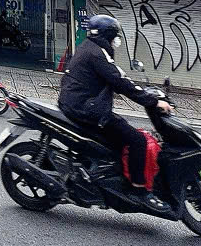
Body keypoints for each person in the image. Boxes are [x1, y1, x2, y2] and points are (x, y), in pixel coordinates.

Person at [58, 15, 173, 212]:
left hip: (77, 104)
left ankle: (113, 176)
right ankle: (139, 191)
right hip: (87, 110)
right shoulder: (97, 54)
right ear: (108, 35)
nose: (117, 40)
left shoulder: (89, 47)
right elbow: (120, 82)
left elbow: (117, 76)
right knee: (138, 140)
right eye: (115, 36)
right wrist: (154, 102)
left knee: (119, 141)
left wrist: (141, 90)